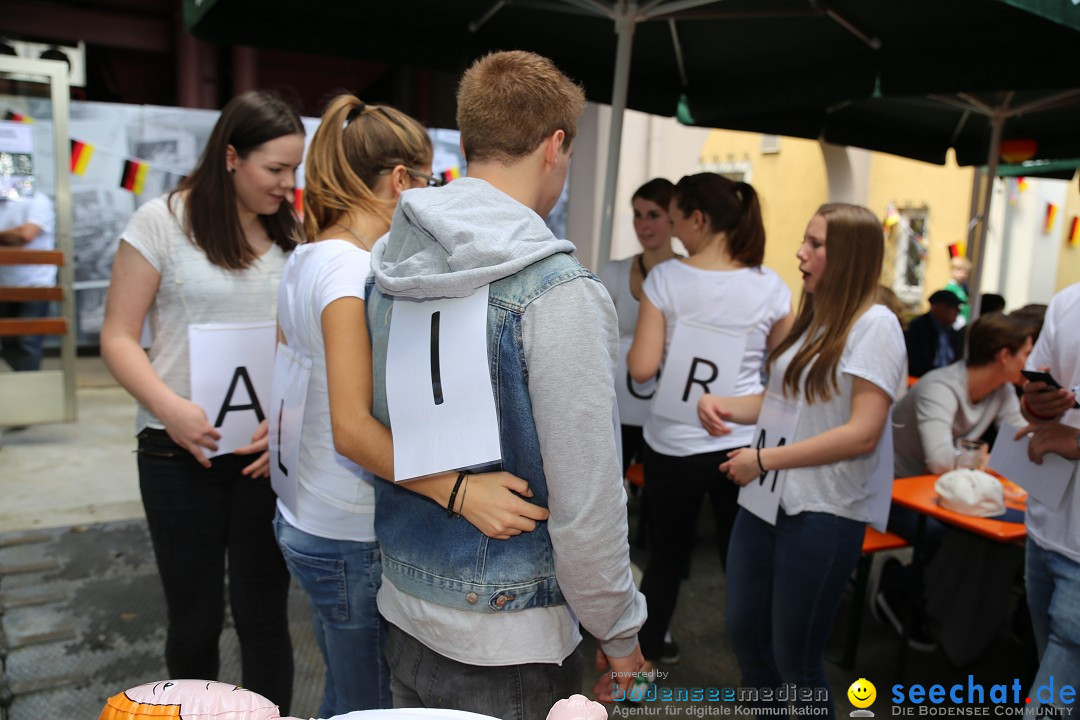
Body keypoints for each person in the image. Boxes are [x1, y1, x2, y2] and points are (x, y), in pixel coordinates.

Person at [365, 51, 645, 720]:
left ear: (467, 143)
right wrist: (620, 631)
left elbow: (377, 424)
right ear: (556, 146)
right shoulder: (557, 291)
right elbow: (588, 498)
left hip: (404, 598)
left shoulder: (385, 268)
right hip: (510, 635)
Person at [271, 94, 549, 717]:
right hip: (345, 526)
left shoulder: (306, 257)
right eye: (429, 181)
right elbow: (351, 428)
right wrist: (458, 491)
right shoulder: (349, 271)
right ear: (400, 182)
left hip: (305, 513)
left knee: (344, 695)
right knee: (368, 705)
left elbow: (292, 384)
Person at [100, 91, 302, 712]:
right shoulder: (162, 221)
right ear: (231, 157)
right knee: (194, 620)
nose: (287, 184)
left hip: (261, 456)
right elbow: (117, 335)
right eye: (275, 170)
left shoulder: (293, 235)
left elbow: (306, 347)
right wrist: (170, 408)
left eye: (294, 169)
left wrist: (288, 422)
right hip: (175, 450)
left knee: (264, 616)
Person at [699, 204, 905, 719]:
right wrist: (725, 403)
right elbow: (784, 402)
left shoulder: (875, 325)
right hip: (767, 503)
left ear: (851, 255)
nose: (800, 253)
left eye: (815, 244)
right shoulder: (818, 317)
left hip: (823, 512)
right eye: (805, 241)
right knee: (746, 636)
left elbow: (863, 433)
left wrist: (764, 459)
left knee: (796, 660)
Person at [626, 172, 792, 683]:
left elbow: (641, 368)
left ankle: (645, 659)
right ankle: (757, 670)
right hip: (743, 446)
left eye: (674, 222)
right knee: (742, 558)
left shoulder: (666, 280)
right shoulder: (772, 286)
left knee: (668, 555)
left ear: (699, 220)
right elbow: (786, 379)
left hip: (672, 443)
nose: (672, 233)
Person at [877, 312, 1032, 653]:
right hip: (889, 490)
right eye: (1027, 354)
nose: (1032, 363)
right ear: (1004, 356)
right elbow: (940, 461)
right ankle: (898, 589)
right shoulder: (940, 387)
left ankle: (940, 607)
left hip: (936, 491)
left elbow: (1022, 441)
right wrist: (987, 459)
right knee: (949, 532)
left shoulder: (1002, 390)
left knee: (982, 531)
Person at [1015, 281, 1080, 711]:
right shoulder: (1069, 301)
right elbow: (1030, 402)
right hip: (1045, 529)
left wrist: (1073, 440)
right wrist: (1038, 402)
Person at [599, 178, 679, 475]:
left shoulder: (690, 273)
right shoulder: (615, 271)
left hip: (668, 406)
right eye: (637, 214)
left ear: (674, 218)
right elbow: (599, 336)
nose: (643, 224)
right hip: (619, 402)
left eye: (653, 215)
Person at [0, 191, 56, 372]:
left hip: (35, 284)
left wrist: (15, 234)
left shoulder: (37, 200)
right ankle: (21, 387)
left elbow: (25, 235)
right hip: (4, 285)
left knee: (28, 343)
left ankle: (28, 391)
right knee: (7, 342)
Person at [905, 288, 964, 377]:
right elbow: (919, 362)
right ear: (939, 308)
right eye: (955, 308)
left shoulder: (952, 332)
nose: (958, 313)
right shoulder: (919, 329)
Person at [945, 256, 971, 325]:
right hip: (957, 321)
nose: (963, 273)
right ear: (952, 270)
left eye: (966, 271)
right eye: (959, 270)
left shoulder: (963, 287)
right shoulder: (950, 288)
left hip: (965, 320)